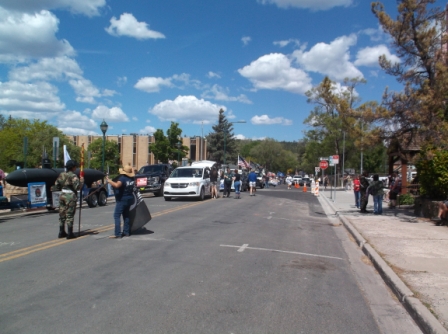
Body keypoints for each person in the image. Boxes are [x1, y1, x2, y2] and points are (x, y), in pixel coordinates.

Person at [53, 160, 84, 239]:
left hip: (62, 195)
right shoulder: (73, 176)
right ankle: (70, 233)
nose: (76, 168)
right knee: (70, 214)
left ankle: (61, 232)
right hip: (70, 196)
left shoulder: (61, 174)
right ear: (72, 167)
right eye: (75, 166)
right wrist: (82, 181)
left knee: (62, 214)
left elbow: (56, 185)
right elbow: (77, 187)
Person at [106, 163, 135, 238]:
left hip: (122, 199)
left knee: (116, 215)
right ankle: (126, 231)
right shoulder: (131, 179)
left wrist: (109, 181)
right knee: (126, 215)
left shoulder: (122, 179)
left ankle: (118, 233)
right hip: (129, 198)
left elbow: (116, 185)